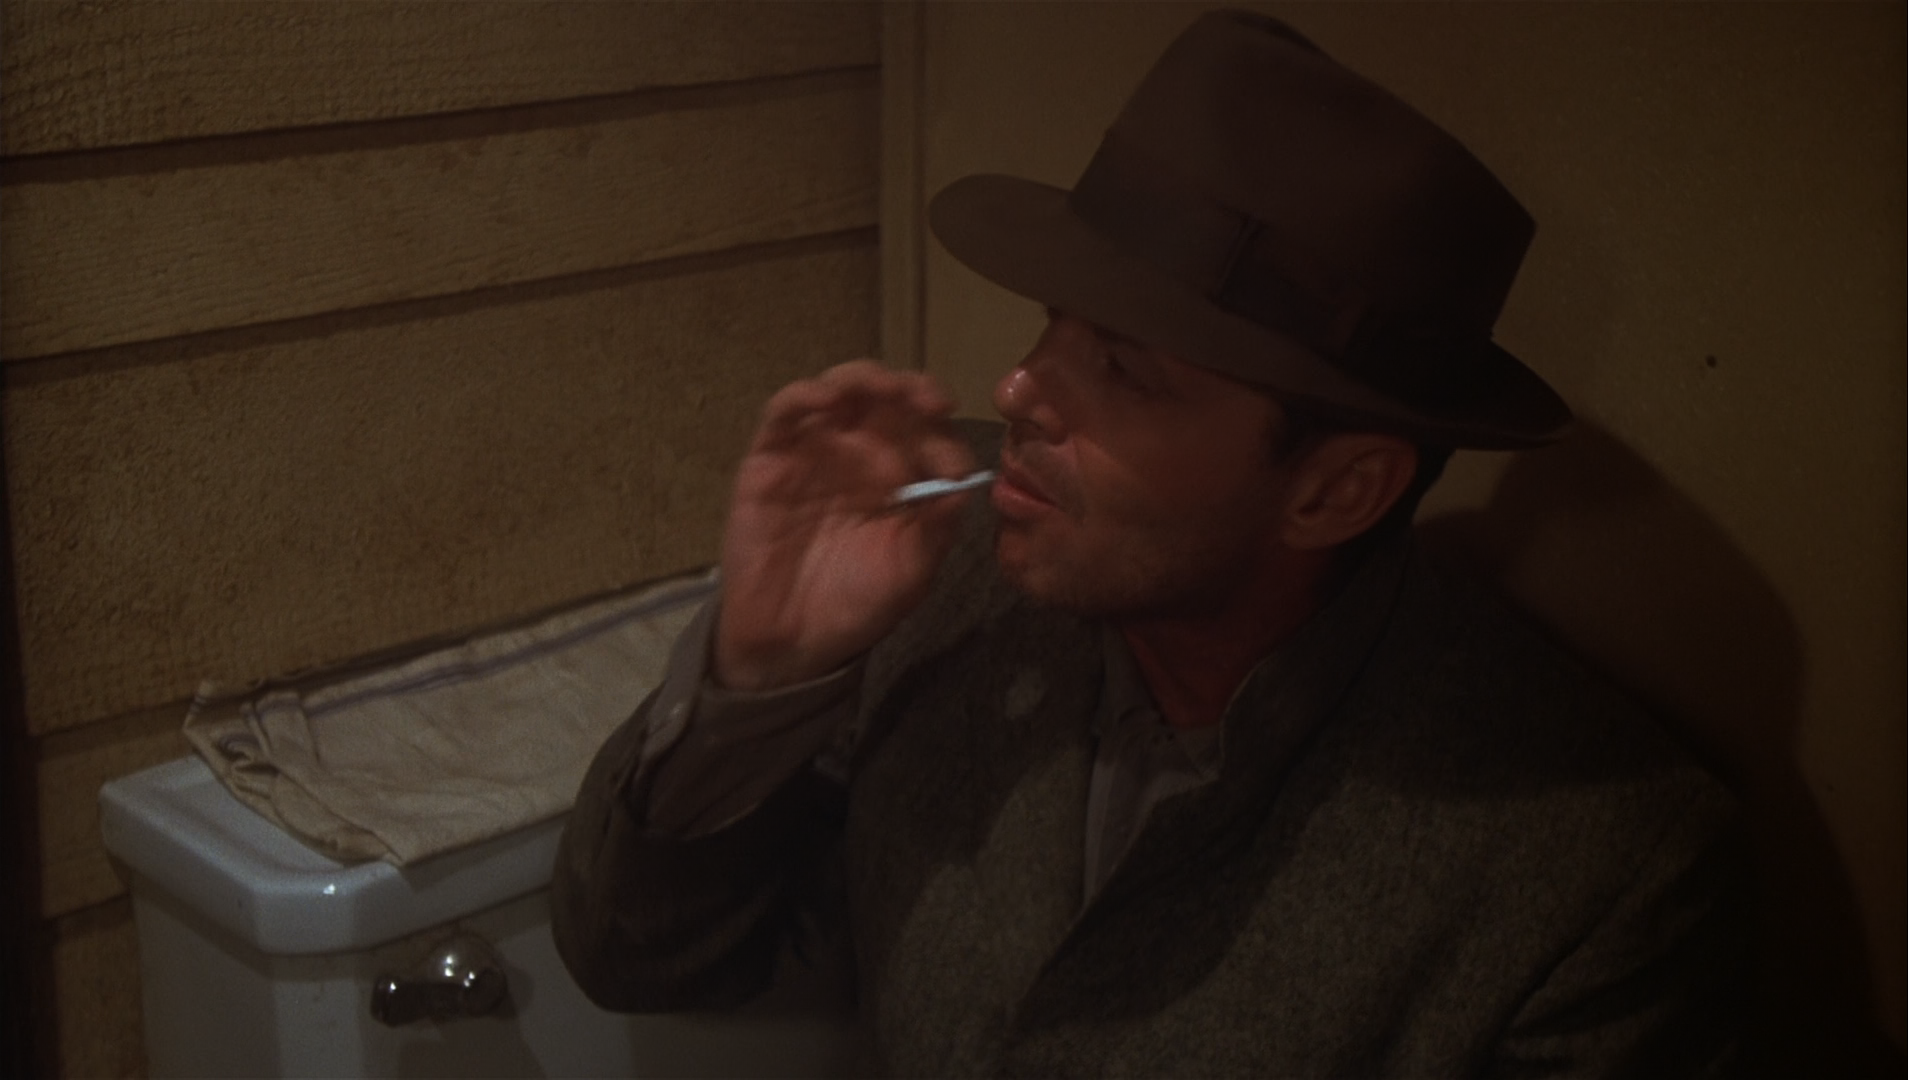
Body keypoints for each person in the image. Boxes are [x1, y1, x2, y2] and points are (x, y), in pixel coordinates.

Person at [553, 11, 1751, 1076]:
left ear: (1336, 491)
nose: (1018, 389)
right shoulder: (955, 561)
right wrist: (762, 675)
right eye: (1052, 327)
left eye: (1124, 369)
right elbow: (641, 961)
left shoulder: (1596, 869)